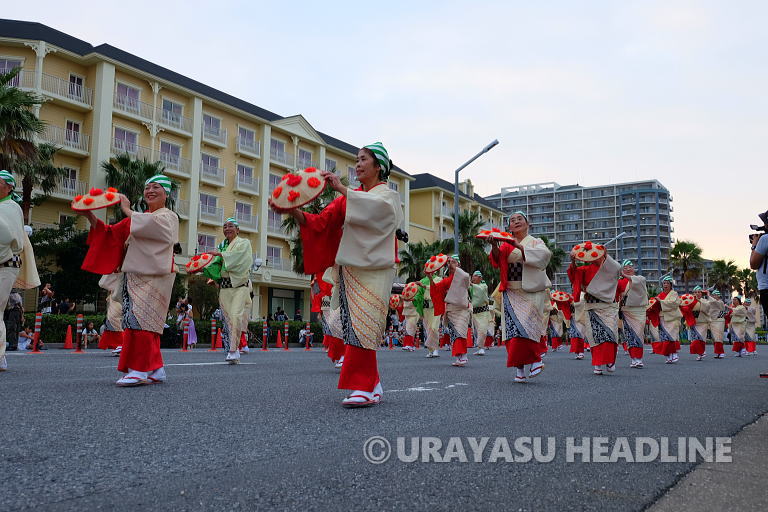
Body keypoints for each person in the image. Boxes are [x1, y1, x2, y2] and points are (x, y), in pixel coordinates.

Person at [274, 142, 402, 407]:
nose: (357, 164)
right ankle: (371, 382)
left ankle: (363, 385)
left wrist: (342, 189)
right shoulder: (349, 198)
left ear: (379, 166)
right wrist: (292, 209)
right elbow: (319, 223)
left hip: (376, 270)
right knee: (355, 326)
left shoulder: (387, 196)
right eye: (356, 159)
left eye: (363, 159)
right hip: (349, 270)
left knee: (365, 325)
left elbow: (378, 213)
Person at [77, 175, 179, 386]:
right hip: (134, 276)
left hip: (155, 276)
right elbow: (110, 234)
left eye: (156, 187)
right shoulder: (139, 219)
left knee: (140, 321)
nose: (150, 190)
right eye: (147, 187)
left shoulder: (167, 216)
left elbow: (162, 233)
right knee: (141, 321)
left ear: (166, 193)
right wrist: (89, 215)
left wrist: (127, 209)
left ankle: (139, 370)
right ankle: (155, 368)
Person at [489, 212, 552, 383]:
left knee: (527, 327)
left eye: (519, 219)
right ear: (509, 227)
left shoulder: (536, 242)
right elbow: (496, 261)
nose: (516, 222)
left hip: (530, 290)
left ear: (527, 223)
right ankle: (519, 369)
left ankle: (536, 360)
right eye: (512, 221)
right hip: (511, 290)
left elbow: (544, 257)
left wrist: (520, 247)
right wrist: (495, 246)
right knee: (512, 330)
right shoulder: (505, 244)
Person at [1, 170, 40, 372]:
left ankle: (0, 356)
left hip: (6, 264)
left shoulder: (11, 207)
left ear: (8, 186)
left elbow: (11, 238)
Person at [204, 217, 253, 364]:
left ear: (237, 229)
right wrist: (204, 267)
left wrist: (221, 255)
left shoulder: (244, 243)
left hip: (239, 286)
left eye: (230, 226)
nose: (227, 228)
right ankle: (234, 348)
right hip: (225, 287)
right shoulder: (221, 246)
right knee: (227, 319)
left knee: (236, 316)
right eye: (224, 226)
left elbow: (240, 258)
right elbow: (215, 265)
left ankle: (233, 350)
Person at [568, 245, 621, 376]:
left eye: (598, 254)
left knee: (610, 334)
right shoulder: (585, 269)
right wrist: (573, 261)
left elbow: (617, 268)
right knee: (595, 336)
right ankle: (598, 363)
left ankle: (609, 360)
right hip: (592, 306)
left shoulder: (609, 268)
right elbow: (574, 276)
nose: (595, 256)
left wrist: (606, 255)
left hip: (608, 306)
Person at [428, 255, 471, 367]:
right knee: (455, 333)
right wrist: (430, 277)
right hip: (451, 309)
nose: (451, 264)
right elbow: (436, 289)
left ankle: (464, 356)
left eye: (454, 262)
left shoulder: (462, 277)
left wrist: (453, 265)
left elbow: (465, 276)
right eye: (449, 262)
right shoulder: (446, 280)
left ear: (459, 265)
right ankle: (459, 357)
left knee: (461, 331)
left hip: (462, 309)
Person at [618, 260, 648, 368]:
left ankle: (639, 359)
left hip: (639, 310)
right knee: (629, 335)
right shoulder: (620, 282)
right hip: (626, 310)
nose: (628, 269)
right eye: (625, 268)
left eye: (630, 267)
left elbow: (637, 281)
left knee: (639, 334)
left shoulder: (640, 279)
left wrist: (624, 275)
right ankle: (633, 358)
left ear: (633, 268)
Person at [656, 276, 683, 364]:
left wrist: (661, 302)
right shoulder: (660, 295)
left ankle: (674, 354)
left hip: (672, 318)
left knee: (671, 336)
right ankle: (668, 355)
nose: (665, 285)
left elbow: (674, 303)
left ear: (671, 285)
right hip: (663, 318)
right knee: (665, 337)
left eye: (667, 283)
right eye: (664, 283)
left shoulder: (674, 294)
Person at [469, 271, 491, 356]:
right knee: (477, 331)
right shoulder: (472, 287)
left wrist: (471, 284)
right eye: (472, 276)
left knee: (482, 330)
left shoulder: (484, 286)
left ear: (480, 278)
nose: (473, 278)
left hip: (483, 311)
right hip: (474, 312)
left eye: (475, 276)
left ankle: (481, 348)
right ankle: (479, 348)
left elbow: (481, 291)